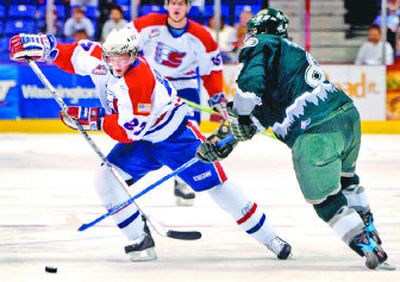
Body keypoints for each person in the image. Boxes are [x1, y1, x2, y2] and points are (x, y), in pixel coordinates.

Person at [9, 28, 292, 262]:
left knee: (216, 186)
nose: (117, 64)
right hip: (146, 142)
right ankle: (139, 239)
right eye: (112, 57)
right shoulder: (99, 57)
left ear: (133, 55)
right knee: (105, 179)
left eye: (124, 57)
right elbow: (71, 55)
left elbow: (128, 131)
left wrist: (90, 118)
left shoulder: (139, 80)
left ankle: (270, 238)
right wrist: (44, 47)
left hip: (175, 138)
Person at [196, 8, 396, 270]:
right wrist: (224, 139)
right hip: (347, 119)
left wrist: (241, 116)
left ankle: (368, 245)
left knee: (324, 198)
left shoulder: (263, 43)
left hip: (316, 131)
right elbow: (267, 109)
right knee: (347, 179)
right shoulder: (291, 54)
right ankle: (369, 228)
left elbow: (250, 87)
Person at [127, 0, 228, 206]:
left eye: (181, 3)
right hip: (155, 86)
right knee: (141, 130)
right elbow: (122, 42)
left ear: (188, 7)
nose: (177, 7)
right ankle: (125, 172)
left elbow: (212, 70)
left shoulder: (202, 36)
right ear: (166, 5)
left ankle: (182, 182)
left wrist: (217, 95)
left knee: (190, 134)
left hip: (185, 87)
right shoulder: (147, 24)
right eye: (173, 2)